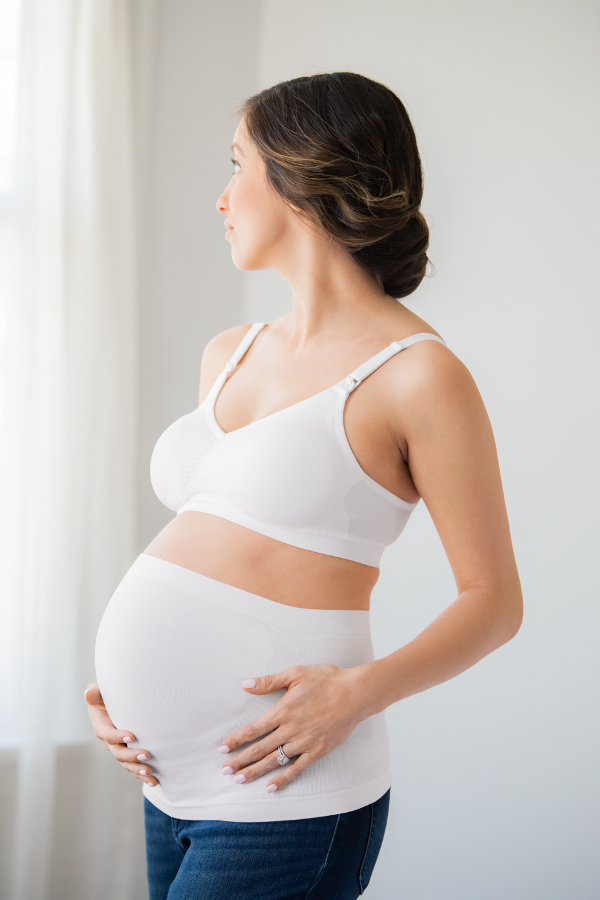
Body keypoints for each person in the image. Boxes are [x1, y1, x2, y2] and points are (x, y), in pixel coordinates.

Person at [86, 72, 523, 900]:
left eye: (236, 164)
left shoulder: (418, 376)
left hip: (291, 798)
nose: (219, 199)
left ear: (298, 176)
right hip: (162, 784)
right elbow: (223, 545)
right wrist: (128, 685)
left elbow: (494, 601)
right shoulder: (230, 351)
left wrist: (354, 696)